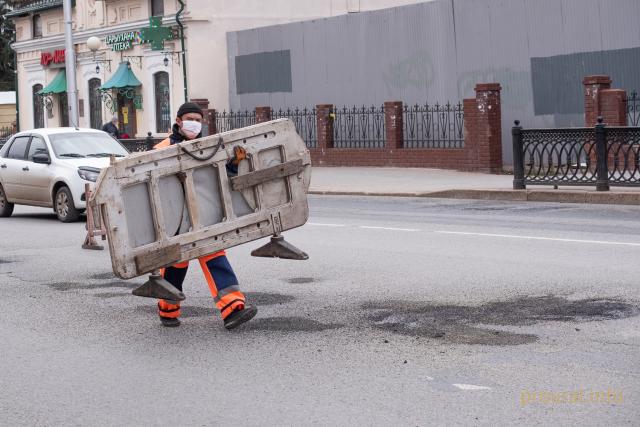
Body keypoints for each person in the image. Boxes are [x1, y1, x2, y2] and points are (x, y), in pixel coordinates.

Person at [154, 102, 258, 329]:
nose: (194, 123)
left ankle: (232, 308)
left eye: (198, 120)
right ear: (179, 121)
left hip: (203, 215)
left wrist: (233, 165)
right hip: (177, 219)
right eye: (190, 118)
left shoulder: (209, 147)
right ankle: (168, 310)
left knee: (214, 255)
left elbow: (216, 177)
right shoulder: (162, 149)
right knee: (176, 265)